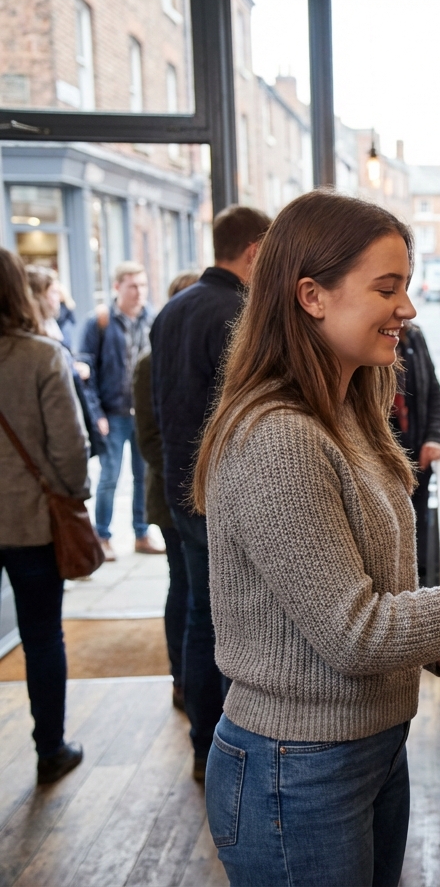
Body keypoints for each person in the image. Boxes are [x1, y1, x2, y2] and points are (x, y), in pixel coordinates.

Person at [191, 190, 440, 885]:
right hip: (294, 772)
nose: (407, 308)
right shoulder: (280, 437)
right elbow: (354, 633)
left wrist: (438, 647)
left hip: (363, 751)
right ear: (312, 296)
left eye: (405, 287)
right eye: (387, 288)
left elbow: (363, 597)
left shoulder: (349, 410)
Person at [151, 205, 272, 781]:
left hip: (178, 482)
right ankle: (230, 754)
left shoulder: (171, 309)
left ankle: (204, 747)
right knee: (234, 625)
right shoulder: (236, 312)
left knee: (202, 614)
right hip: (220, 489)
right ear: (253, 252)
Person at [0, 248, 89, 784]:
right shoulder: (40, 355)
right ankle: (50, 749)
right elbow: (70, 447)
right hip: (31, 519)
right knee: (40, 635)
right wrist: (69, 493)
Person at [134, 269, 201, 711]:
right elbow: (150, 437)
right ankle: (181, 676)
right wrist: (184, 482)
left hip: (188, 491)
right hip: (172, 494)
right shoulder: (148, 363)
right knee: (184, 587)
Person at [77, 261, 160, 560]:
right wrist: (96, 414)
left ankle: (141, 532)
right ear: (117, 288)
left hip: (145, 414)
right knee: (110, 476)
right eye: (132, 286)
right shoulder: (99, 322)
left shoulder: (153, 319)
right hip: (112, 413)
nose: (139, 292)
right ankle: (102, 536)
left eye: (142, 285)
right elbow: (86, 373)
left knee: (143, 476)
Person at [26, 266, 106, 462]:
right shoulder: (35, 336)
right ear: (38, 296)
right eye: (53, 292)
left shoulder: (55, 325)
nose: (59, 297)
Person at [388, 321, 440, 586]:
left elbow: (434, 393)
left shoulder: (414, 335)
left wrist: (435, 437)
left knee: (417, 540)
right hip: (385, 465)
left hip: (417, 461)